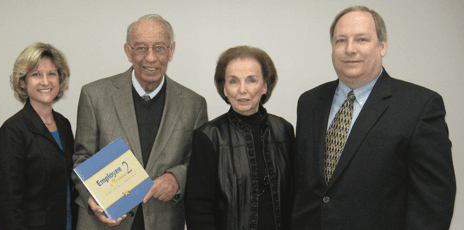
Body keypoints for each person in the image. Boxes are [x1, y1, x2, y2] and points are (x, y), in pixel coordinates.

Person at [291, 5, 456, 230]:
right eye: (341, 40)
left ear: (382, 46)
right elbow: (304, 187)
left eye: (361, 40)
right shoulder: (309, 102)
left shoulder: (420, 106)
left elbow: (434, 200)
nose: (350, 49)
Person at [72, 14, 208, 230]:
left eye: (159, 48)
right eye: (141, 48)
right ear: (128, 51)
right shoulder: (94, 95)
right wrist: (92, 199)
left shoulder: (194, 104)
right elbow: (82, 158)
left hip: (163, 220)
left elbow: (200, 164)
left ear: (171, 50)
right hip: (104, 223)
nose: (151, 58)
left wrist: (177, 178)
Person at [185, 46, 294, 230]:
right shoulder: (208, 136)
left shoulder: (284, 130)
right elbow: (198, 209)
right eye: (233, 81)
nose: (242, 90)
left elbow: (295, 196)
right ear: (224, 88)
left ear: (265, 86)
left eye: (251, 80)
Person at [0, 42, 77, 230]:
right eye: (36, 75)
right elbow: (8, 204)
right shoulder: (13, 131)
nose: (45, 82)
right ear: (23, 81)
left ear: (60, 78)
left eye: (52, 74)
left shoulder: (63, 124)